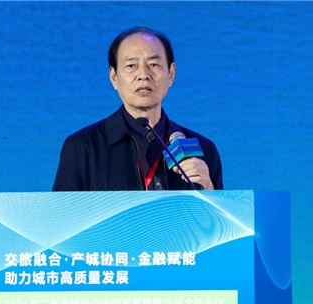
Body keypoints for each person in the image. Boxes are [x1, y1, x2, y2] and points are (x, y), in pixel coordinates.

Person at [52, 27, 223, 191]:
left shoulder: (204, 150)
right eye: (131, 65)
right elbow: (62, 212)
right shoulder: (82, 147)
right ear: (113, 77)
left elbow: (220, 212)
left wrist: (209, 190)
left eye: (153, 65)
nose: (143, 75)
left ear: (171, 74)